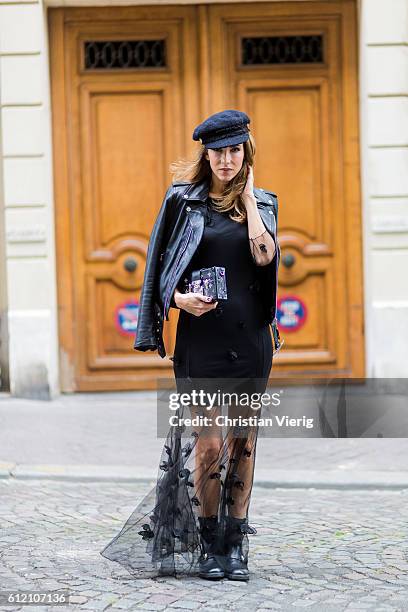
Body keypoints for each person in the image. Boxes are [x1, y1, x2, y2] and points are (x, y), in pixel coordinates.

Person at [100, 109, 282, 581]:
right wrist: (179, 298)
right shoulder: (183, 202)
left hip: (250, 342)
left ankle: (234, 544)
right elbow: (160, 271)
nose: (226, 160)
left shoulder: (263, 204)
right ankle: (206, 541)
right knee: (208, 444)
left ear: (246, 154)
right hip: (200, 342)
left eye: (234, 151)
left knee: (243, 443)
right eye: (218, 152)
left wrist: (250, 201)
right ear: (207, 155)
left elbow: (265, 258)